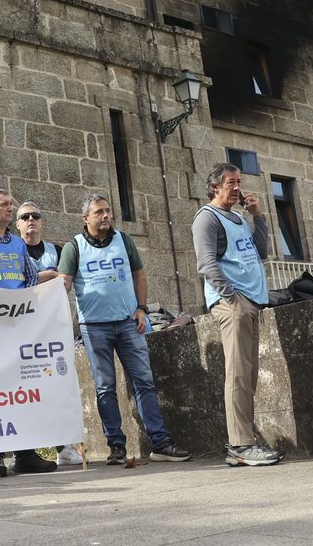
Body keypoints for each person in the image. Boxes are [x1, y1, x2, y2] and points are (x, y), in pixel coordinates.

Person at [59, 195, 191, 465]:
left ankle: (160, 443)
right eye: (99, 212)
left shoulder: (124, 240)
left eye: (108, 211)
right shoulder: (74, 246)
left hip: (129, 323)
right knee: (105, 387)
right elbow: (65, 283)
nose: (106, 215)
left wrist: (142, 307)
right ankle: (116, 447)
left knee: (144, 382)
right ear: (86, 218)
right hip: (94, 328)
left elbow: (139, 274)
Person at [191, 163, 283, 467]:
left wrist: (258, 216)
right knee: (238, 373)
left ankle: (244, 441)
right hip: (234, 303)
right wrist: (232, 299)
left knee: (248, 374)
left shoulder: (241, 219)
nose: (237, 188)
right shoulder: (207, 219)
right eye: (231, 182)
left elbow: (263, 252)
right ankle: (240, 445)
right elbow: (206, 264)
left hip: (251, 301)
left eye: (239, 182)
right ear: (215, 186)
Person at [0, 189, 58, 476]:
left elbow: (29, 276)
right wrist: (3, 307)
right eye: (4, 205)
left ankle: (25, 453)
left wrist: (20, 305)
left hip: (17, 326)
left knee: (19, 390)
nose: (10, 208)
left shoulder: (17, 245)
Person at [14, 201, 81, 466]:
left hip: (53, 328)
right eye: (24, 217)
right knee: (23, 390)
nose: (31, 220)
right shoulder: (12, 250)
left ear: (42, 222)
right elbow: (18, 282)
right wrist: (47, 276)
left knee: (59, 386)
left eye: (35, 216)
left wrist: (48, 277)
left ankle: (64, 446)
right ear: (17, 224)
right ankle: (23, 451)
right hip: (23, 328)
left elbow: (67, 282)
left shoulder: (58, 250)